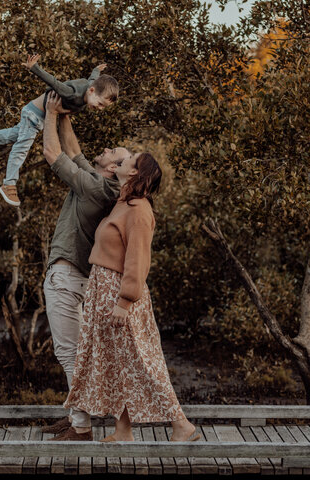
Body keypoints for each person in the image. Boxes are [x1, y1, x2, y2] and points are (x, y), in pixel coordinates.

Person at [63, 151, 200, 442]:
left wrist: (124, 302)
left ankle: (182, 425)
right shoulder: (122, 204)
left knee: (142, 360)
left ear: (135, 173)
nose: (123, 159)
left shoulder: (139, 210)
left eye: (130, 159)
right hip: (102, 290)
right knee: (117, 360)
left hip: (118, 294)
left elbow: (138, 260)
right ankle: (123, 430)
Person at [41, 92, 132, 440]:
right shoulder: (101, 183)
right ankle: (75, 415)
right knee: (72, 349)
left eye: (114, 153)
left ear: (113, 169)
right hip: (72, 277)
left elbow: (54, 154)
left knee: (69, 352)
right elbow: (75, 151)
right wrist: (65, 114)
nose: (108, 149)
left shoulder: (98, 189)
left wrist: (50, 113)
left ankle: (81, 427)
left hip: (67, 277)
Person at [0, 55, 119, 207]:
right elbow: (54, 83)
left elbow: (93, 78)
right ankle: (9, 184)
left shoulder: (91, 88)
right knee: (21, 148)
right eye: (99, 104)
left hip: (37, 116)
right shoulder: (72, 93)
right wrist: (34, 67)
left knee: (12, 135)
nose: (99, 108)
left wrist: (97, 69)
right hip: (34, 115)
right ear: (91, 91)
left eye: (103, 107)